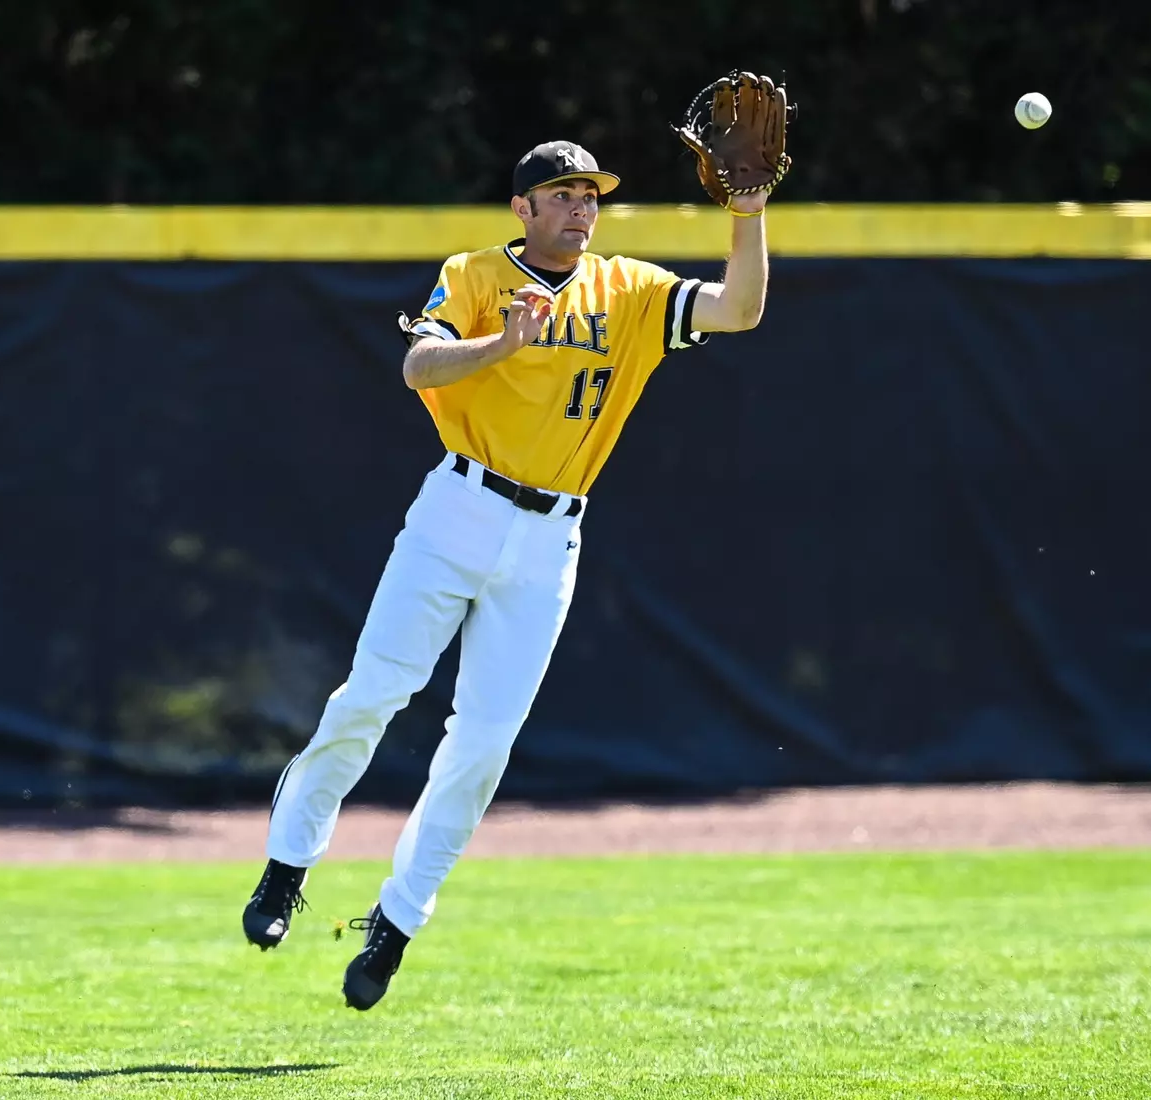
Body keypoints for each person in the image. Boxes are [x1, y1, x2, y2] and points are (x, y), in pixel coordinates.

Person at [242, 138, 773, 1011]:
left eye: (590, 195)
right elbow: (417, 366)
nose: (581, 207)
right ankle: (287, 864)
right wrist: (500, 342)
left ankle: (396, 921)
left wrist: (747, 217)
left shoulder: (630, 290)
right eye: (562, 194)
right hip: (458, 508)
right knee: (372, 695)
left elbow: (740, 310)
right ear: (522, 208)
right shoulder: (477, 274)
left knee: (485, 744)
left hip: (551, 538)